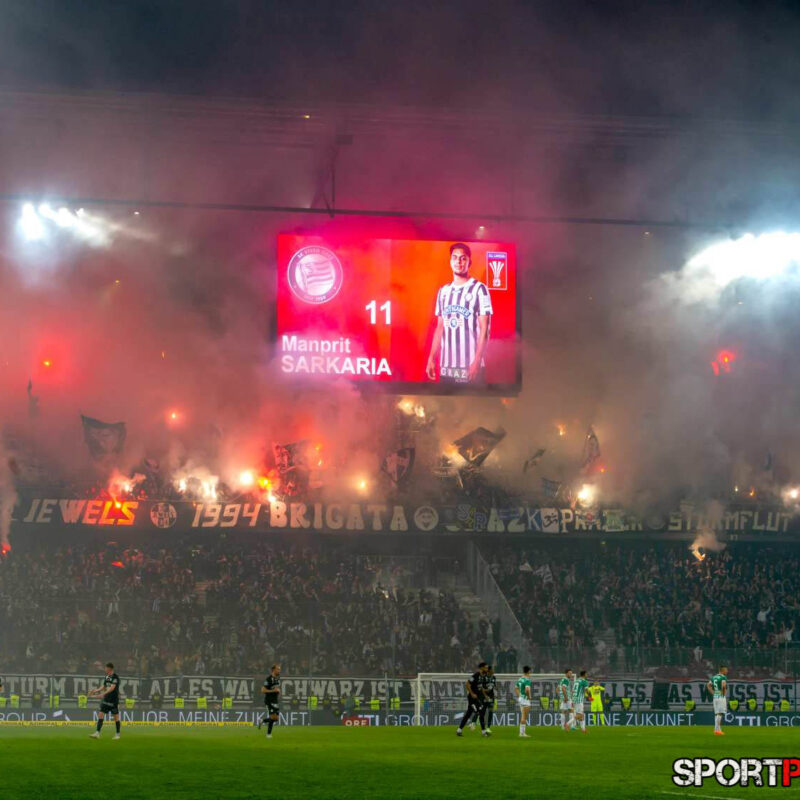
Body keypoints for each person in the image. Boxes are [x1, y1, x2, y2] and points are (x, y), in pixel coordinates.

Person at [426, 243, 493, 385]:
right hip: (446, 369)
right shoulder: (443, 291)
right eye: (455, 258)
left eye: (463, 258)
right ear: (450, 261)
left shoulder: (479, 289)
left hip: (471, 368)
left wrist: (476, 361)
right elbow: (439, 328)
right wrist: (431, 358)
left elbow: (485, 329)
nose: (459, 262)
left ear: (469, 262)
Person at [88, 662, 121, 740]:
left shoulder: (115, 677)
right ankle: (97, 733)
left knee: (116, 718)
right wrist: (96, 690)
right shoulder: (107, 677)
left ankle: (117, 734)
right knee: (101, 715)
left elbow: (112, 688)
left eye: (106, 668)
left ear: (109, 669)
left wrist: (103, 694)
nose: (105, 669)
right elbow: (104, 686)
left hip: (113, 700)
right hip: (106, 699)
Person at [457, 662, 489, 737]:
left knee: (468, 714)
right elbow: (467, 684)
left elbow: (481, 687)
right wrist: (472, 693)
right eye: (486, 667)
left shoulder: (483, 676)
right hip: (472, 698)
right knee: (480, 712)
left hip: (477, 698)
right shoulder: (475, 675)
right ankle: (481, 731)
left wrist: (485, 695)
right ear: (481, 668)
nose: (487, 669)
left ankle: (459, 730)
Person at [260, 664, 282, 739]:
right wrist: (273, 691)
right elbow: (263, 690)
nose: (279, 671)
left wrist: (278, 692)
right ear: (273, 670)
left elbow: (276, 689)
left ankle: (263, 720)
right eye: (278, 669)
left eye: (279, 669)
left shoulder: (277, 680)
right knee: (273, 717)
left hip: (275, 700)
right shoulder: (268, 679)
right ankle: (268, 734)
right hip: (269, 700)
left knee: (276, 718)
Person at [707, 665, 728, 736]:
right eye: (726, 670)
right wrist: (723, 694)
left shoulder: (714, 677)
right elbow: (723, 686)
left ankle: (718, 730)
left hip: (715, 696)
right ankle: (716, 730)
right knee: (720, 713)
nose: (727, 671)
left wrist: (713, 692)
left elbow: (708, 685)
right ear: (723, 670)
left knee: (717, 714)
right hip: (720, 696)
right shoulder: (723, 677)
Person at [514, 665, 533, 738]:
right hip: (525, 699)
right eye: (530, 671)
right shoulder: (527, 680)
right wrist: (529, 696)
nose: (530, 672)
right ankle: (522, 733)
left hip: (521, 699)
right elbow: (527, 689)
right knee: (524, 717)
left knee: (523, 715)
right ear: (528, 671)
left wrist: (519, 696)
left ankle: (522, 733)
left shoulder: (520, 679)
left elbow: (516, 688)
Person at [479, 665, 497, 733]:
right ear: (489, 670)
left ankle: (488, 727)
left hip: (491, 697)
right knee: (482, 712)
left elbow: (494, 686)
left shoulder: (494, 677)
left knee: (490, 711)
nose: (494, 670)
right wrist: (485, 695)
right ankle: (483, 728)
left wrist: (496, 688)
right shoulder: (483, 677)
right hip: (484, 697)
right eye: (492, 669)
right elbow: (481, 688)